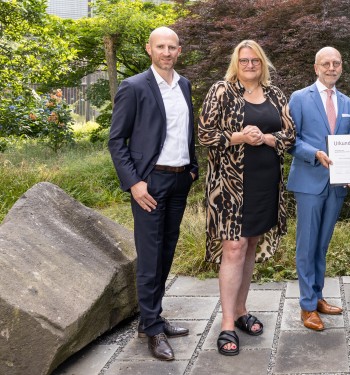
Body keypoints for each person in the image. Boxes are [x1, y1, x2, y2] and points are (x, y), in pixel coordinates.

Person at [198, 40, 295, 355]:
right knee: (235, 247)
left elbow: (290, 134)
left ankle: (240, 310)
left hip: (266, 184)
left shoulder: (276, 95)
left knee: (251, 243)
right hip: (230, 186)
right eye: (244, 60)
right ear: (235, 63)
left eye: (255, 60)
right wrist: (238, 136)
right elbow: (204, 135)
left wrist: (268, 138)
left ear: (262, 63)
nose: (250, 65)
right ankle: (227, 323)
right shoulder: (221, 92)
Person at [108, 26, 197, 361]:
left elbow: (185, 131)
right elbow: (117, 141)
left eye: (172, 47)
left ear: (179, 50)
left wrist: (192, 170)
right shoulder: (134, 87)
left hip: (179, 181)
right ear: (149, 49)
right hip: (149, 183)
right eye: (160, 46)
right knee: (149, 256)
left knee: (166, 252)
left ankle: (151, 318)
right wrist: (134, 183)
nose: (166, 52)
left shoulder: (184, 85)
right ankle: (152, 328)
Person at [287, 46, 350, 331]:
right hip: (309, 181)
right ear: (316, 68)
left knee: (322, 244)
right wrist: (315, 153)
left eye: (336, 63)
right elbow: (291, 139)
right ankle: (306, 306)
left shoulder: (348, 103)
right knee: (306, 245)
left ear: (341, 67)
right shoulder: (300, 98)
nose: (331, 68)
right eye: (326, 63)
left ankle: (317, 297)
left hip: (337, 183)